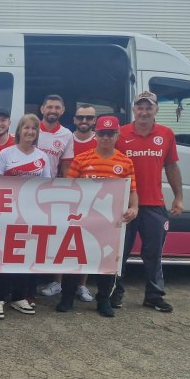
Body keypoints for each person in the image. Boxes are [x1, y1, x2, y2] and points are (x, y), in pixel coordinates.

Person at [57, 115, 138, 317]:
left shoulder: (125, 162)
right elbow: (70, 189)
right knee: (74, 258)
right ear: (96, 135)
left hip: (110, 223)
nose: (106, 138)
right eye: (102, 133)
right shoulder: (81, 159)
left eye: (111, 134)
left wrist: (134, 208)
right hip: (83, 219)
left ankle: (103, 300)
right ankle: (67, 297)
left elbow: (132, 190)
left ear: (117, 135)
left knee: (107, 260)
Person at [113, 91, 183, 312]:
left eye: (148, 107)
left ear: (156, 110)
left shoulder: (166, 134)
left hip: (154, 204)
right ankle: (114, 292)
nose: (144, 111)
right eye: (139, 107)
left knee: (153, 253)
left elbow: (171, 167)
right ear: (134, 109)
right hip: (124, 205)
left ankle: (154, 295)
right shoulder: (121, 134)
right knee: (119, 253)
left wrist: (178, 197)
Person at [0, 114, 52, 320]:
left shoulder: (43, 157)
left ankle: (18, 296)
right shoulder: (6, 154)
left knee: (25, 257)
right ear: (19, 131)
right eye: (26, 128)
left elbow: (46, 187)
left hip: (31, 215)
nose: (30, 132)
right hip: (8, 214)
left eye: (34, 129)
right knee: (5, 256)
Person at [37, 94, 75, 298]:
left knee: (55, 237)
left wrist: (65, 191)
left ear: (63, 110)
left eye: (57, 107)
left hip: (51, 192)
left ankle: (56, 282)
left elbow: (66, 167)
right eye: (49, 106)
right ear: (42, 109)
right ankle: (27, 280)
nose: (52, 110)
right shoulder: (32, 128)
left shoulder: (67, 135)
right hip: (27, 192)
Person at [70, 104, 98, 302]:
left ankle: (82, 285)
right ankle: (58, 282)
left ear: (94, 120)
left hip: (93, 201)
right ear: (74, 119)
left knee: (86, 243)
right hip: (68, 196)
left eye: (89, 118)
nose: (84, 121)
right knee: (65, 242)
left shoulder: (101, 139)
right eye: (81, 117)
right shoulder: (66, 137)